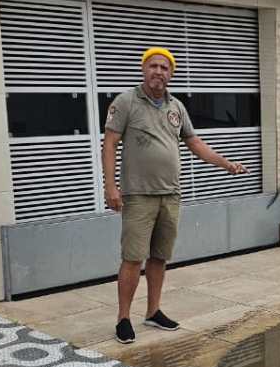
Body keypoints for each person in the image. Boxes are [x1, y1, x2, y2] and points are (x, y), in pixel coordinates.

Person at [102, 47, 247, 344]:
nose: (158, 72)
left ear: (171, 74)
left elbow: (194, 142)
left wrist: (226, 164)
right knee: (132, 258)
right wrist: (110, 186)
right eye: (153, 66)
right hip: (139, 195)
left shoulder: (176, 107)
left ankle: (153, 311)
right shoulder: (126, 102)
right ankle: (123, 318)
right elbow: (110, 143)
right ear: (144, 70)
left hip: (171, 195)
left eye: (164, 68)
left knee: (159, 257)